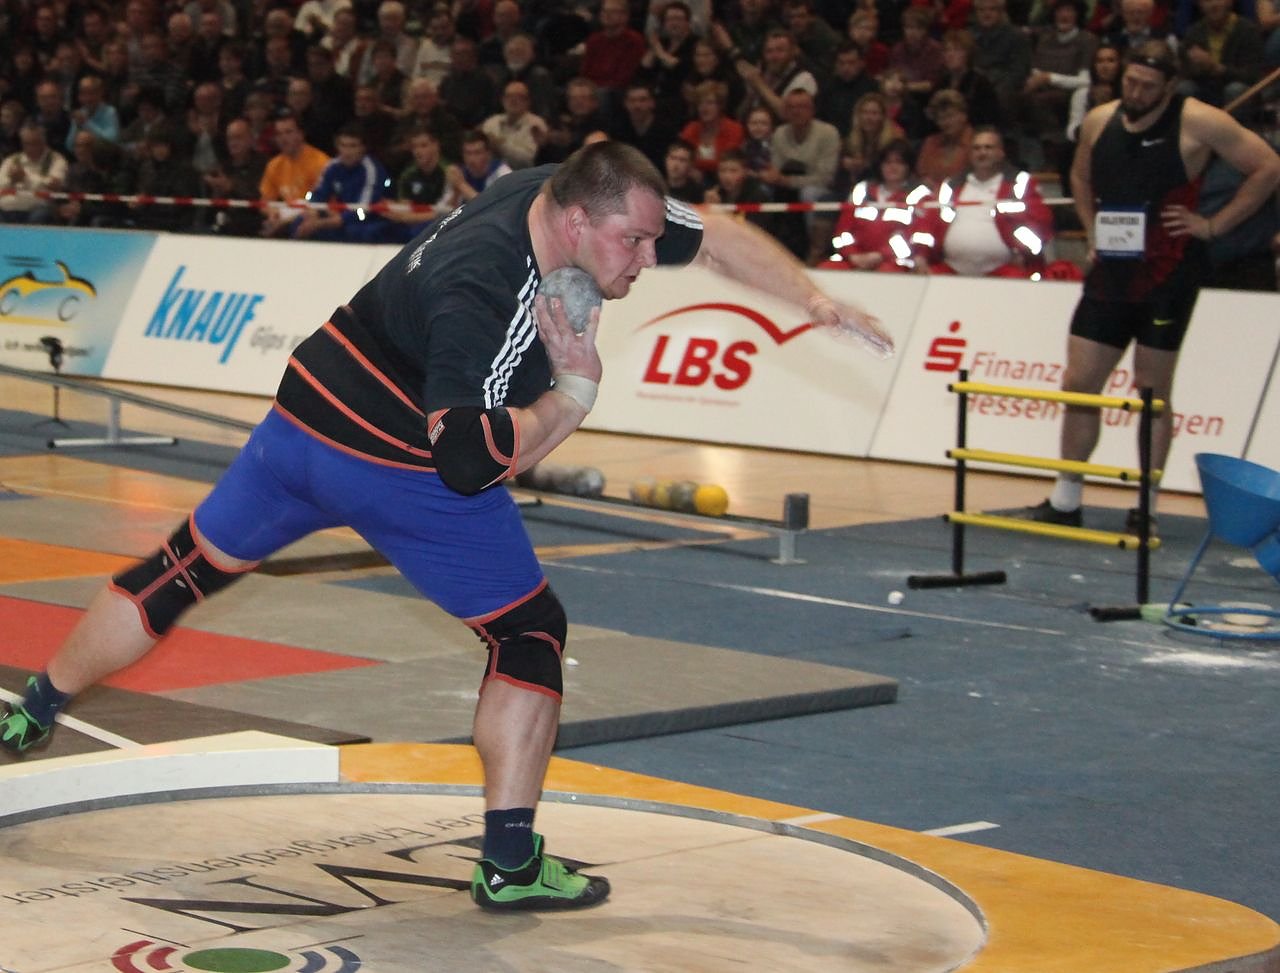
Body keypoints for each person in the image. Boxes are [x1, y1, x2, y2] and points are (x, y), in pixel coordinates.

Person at [0, 140, 891, 916]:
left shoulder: (562, 189)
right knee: (529, 632)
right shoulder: (485, 290)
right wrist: (573, 394)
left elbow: (715, 234)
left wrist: (812, 300)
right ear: (578, 222)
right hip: (394, 458)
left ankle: (33, 710)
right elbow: (467, 463)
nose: (650, 258)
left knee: (183, 566)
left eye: (653, 238)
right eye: (634, 242)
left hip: (305, 414)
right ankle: (509, 864)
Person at [1026, 42, 1280, 530]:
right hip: (1111, 271)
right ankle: (1066, 499)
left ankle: (1146, 505)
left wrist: (1214, 225)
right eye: (1130, 82)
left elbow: (1267, 166)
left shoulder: (1200, 121)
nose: (1136, 92)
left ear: (1170, 86)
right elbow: (1079, 175)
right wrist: (1091, 227)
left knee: (1151, 391)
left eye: (1147, 86)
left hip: (1169, 274)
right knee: (1079, 384)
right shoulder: (1100, 120)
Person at [919, 125, 1054, 276]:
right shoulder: (951, 185)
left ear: (1000, 153)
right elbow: (929, 223)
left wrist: (1023, 251)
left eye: (988, 147)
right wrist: (921, 256)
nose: (982, 153)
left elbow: (1041, 223)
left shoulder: (1019, 183)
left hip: (1005, 272)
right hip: (950, 270)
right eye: (976, 148)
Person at [820, 138, 933, 271]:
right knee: (826, 269)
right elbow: (842, 231)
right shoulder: (861, 190)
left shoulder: (920, 195)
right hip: (854, 259)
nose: (893, 167)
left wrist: (881, 255)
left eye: (899, 162)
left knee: (885, 273)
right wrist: (852, 255)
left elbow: (918, 239)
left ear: (908, 167)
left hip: (896, 262)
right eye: (888, 162)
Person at [293, 125, 390, 242]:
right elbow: (318, 195)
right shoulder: (332, 166)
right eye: (343, 145)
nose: (347, 152)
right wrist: (313, 212)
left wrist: (321, 223)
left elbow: (363, 209)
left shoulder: (371, 170)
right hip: (337, 216)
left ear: (363, 148)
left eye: (353, 146)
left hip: (366, 219)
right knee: (299, 222)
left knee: (356, 231)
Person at [0, 121, 67, 224]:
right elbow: (1, 185)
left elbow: (55, 185)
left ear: (44, 142)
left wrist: (26, 178)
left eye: (35, 143)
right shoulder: (11, 160)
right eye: (27, 144)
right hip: (8, 208)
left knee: (41, 215)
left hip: (38, 208)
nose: (31, 147)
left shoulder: (56, 160)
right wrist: (11, 180)